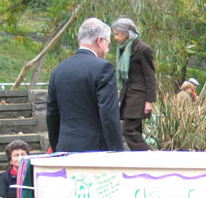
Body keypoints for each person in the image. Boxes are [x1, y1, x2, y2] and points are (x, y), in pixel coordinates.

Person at [46, 17, 124, 152]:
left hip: (65, 148)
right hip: (95, 151)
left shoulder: (58, 70)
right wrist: (117, 152)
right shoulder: (103, 68)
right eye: (108, 44)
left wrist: (56, 147)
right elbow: (109, 116)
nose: (107, 50)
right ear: (100, 41)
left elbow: (52, 115)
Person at [111, 18, 157, 151]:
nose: (115, 38)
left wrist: (149, 100)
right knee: (135, 130)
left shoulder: (142, 49)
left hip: (139, 96)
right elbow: (124, 79)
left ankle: (149, 155)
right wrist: (121, 99)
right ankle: (141, 158)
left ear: (127, 33)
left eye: (117, 34)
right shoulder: (124, 49)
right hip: (128, 95)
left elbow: (150, 76)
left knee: (128, 129)